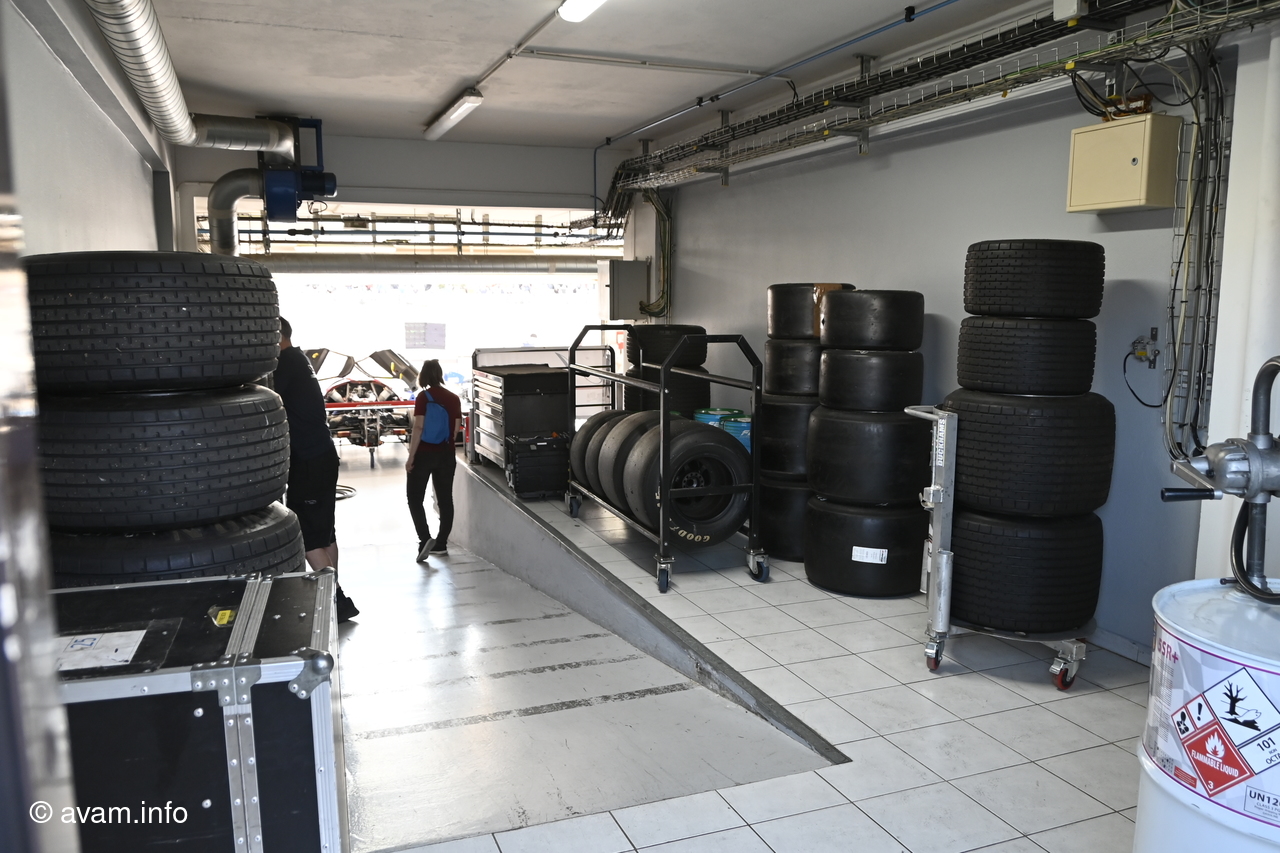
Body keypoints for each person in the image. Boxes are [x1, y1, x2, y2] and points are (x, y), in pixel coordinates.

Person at [274, 317, 359, 622]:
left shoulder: (285, 363)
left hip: (309, 461)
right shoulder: (299, 360)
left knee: (308, 537)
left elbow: (261, 399)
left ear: (276, 335)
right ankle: (332, 595)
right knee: (325, 534)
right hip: (322, 456)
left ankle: (337, 599)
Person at [406, 359, 461, 560]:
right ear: (440, 374)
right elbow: (455, 429)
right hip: (446, 453)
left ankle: (424, 539)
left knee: (414, 498)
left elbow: (419, 427)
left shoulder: (423, 397)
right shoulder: (454, 398)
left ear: (423, 375)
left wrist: (411, 457)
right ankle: (441, 544)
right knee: (445, 499)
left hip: (424, 454)